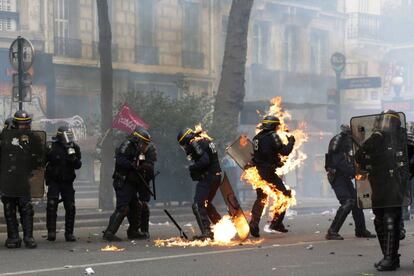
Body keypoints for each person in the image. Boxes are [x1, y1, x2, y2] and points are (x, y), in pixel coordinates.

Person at [355, 110, 409, 271]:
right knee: (379, 220)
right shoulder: (376, 139)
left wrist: (405, 176)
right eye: (384, 121)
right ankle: (389, 256)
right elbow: (359, 156)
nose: (387, 125)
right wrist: (376, 137)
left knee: (390, 218)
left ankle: (390, 258)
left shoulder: (403, 137)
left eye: (390, 122)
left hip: (394, 184)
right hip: (377, 185)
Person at [103, 126, 154, 241]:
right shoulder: (127, 145)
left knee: (136, 207)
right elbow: (120, 160)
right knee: (123, 208)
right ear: (137, 140)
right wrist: (133, 165)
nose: (144, 146)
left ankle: (133, 231)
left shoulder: (139, 150)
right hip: (122, 181)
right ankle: (109, 232)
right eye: (143, 143)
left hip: (131, 183)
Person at [324, 124, 375, 240]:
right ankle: (332, 231)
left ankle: (361, 230)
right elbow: (339, 163)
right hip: (337, 176)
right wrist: (354, 172)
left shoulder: (346, 144)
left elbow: (351, 160)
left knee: (356, 202)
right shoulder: (339, 141)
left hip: (344, 177)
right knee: (347, 202)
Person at [0, 110, 42, 248]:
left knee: (26, 208)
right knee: (9, 209)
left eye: (26, 124)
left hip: (23, 179)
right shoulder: (5, 138)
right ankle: (13, 237)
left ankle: (28, 237)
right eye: (21, 124)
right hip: (7, 179)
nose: (24, 127)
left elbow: (39, 156)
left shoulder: (33, 138)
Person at [249, 115, 295, 237]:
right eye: (276, 126)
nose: (277, 128)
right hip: (268, 172)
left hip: (258, 172)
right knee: (285, 195)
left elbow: (262, 154)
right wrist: (291, 141)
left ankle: (254, 222)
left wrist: (276, 162)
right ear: (273, 126)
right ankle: (276, 223)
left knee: (261, 198)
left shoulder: (256, 138)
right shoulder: (272, 136)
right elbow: (284, 151)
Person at [177, 127, 222, 240]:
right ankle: (221, 226)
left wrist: (191, 168)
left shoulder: (194, 142)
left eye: (183, 144)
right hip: (216, 176)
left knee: (198, 205)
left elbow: (204, 161)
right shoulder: (204, 140)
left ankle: (206, 232)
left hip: (208, 177)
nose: (184, 147)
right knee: (206, 203)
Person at [45, 126, 82, 242]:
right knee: (52, 205)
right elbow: (42, 161)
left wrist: (73, 158)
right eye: (66, 136)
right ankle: (51, 232)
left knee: (70, 207)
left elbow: (78, 165)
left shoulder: (74, 147)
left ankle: (69, 233)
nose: (68, 139)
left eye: (70, 136)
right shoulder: (51, 147)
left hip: (67, 181)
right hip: (54, 180)